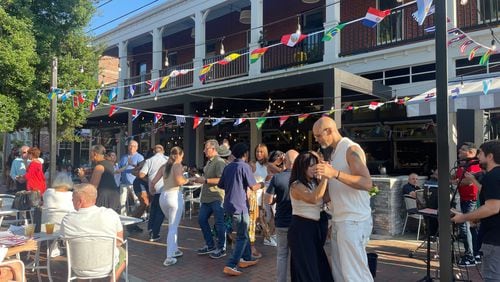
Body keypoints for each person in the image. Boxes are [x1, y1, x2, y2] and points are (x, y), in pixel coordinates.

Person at [314, 116, 374, 282]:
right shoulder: (335, 153)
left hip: (353, 220)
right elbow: (336, 189)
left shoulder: (350, 149)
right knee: (340, 273)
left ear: (329, 131)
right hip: (341, 220)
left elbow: (367, 183)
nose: (317, 139)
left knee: (355, 275)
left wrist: (334, 173)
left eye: (318, 135)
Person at [451, 140, 500, 281]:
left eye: (481, 154)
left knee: (493, 278)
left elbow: (493, 207)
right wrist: (476, 217)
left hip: (494, 239)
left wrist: (463, 217)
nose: (478, 157)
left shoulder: (492, 176)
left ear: (490, 156)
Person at [61, 183, 126, 280]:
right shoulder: (110, 214)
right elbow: (119, 241)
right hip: (107, 266)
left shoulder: (67, 220)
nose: (71, 201)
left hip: (78, 268)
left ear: (80, 201)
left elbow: (64, 242)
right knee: (123, 252)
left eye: (73, 198)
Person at [288, 151, 333, 282]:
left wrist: (329, 179)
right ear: (302, 167)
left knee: (319, 266)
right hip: (301, 228)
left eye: (316, 165)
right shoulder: (296, 185)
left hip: (314, 228)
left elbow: (325, 198)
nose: (315, 168)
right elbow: (313, 198)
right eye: (311, 166)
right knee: (308, 269)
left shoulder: (314, 182)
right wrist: (325, 178)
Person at [218, 143, 261, 276]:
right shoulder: (244, 166)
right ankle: (232, 264)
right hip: (240, 206)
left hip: (228, 205)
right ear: (245, 154)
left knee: (244, 232)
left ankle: (246, 258)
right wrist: (264, 184)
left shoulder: (228, 167)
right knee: (242, 236)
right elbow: (253, 187)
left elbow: (221, 185)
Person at [150, 147, 188, 266]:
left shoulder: (164, 166)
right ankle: (169, 256)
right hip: (174, 196)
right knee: (173, 227)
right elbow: (179, 181)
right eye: (182, 156)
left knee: (172, 225)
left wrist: (152, 189)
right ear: (180, 155)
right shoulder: (177, 165)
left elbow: (153, 181)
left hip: (163, 196)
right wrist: (189, 179)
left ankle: (175, 250)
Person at [264, 149, 298, 282]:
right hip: (297, 221)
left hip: (282, 221)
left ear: (285, 161)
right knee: (296, 255)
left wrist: (278, 198)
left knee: (282, 255)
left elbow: (268, 199)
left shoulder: (277, 178)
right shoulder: (301, 178)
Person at [192, 140, 227, 259]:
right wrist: (198, 179)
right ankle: (210, 244)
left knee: (219, 223)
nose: (204, 151)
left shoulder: (219, 162)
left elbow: (222, 179)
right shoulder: (209, 162)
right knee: (202, 220)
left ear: (214, 149)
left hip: (216, 196)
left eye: (206, 148)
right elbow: (207, 177)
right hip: (206, 198)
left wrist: (205, 180)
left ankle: (221, 248)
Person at [454, 142, 481, 266]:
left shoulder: (474, 164)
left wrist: (453, 182)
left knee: (465, 227)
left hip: (471, 200)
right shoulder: (463, 165)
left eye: (462, 150)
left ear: (470, 152)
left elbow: (468, 181)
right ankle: (475, 253)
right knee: (470, 227)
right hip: (465, 199)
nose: (459, 152)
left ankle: (470, 256)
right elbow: (456, 176)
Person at [77, 145, 120, 213]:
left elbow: (92, 188)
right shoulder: (109, 164)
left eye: (90, 154)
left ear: (95, 154)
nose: (90, 157)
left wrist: (82, 177)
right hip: (114, 195)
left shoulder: (99, 167)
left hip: (104, 197)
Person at [140, 144, 168, 241]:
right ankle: (154, 233)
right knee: (160, 212)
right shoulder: (167, 159)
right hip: (164, 188)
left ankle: (151, 229)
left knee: (154, 209)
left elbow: (141, 174)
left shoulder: (149, 160)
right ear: (163, 151)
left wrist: (148, 180)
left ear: (153, 152)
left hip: (152, 188)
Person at [117, 140, 144, 215]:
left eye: (134, 146)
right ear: (128, 147)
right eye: (130, 146)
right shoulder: (124, 157)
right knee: (122, 201)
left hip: (134, 183)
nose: (132, 148)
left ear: (137, 148)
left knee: (137, 200)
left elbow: (142, 169)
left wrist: (132, 164)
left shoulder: (140, 157)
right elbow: (118, 167)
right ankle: (124, 216)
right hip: (123, 182)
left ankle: (141, 215)